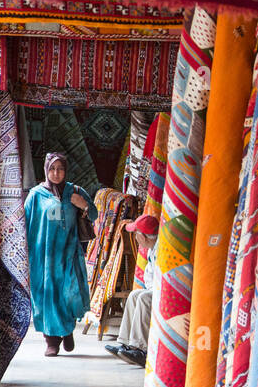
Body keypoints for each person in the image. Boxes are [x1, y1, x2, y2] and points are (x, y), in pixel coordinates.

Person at [24, 151, 98, 357]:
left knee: (69, 295)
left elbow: (94, 214)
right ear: (46, 170)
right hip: (43, 257)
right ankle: (52, 341)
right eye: (52, 169)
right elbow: (24, 224)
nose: (56, 173)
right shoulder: (36, 195)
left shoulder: (75, 191)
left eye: (60, 169)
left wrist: (83, 205)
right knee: (47, 297)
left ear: (66, 170)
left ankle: (67, 331)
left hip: (69, 254)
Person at [104, 214, 159, 366]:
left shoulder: (160, 249)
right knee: (135, 295)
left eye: (136, 234)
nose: (135, 237)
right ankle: (126, 343)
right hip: (154, 288)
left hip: (164, 292)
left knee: (143, 298)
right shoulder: (152, 248)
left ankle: (141, 349)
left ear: (143, 236)